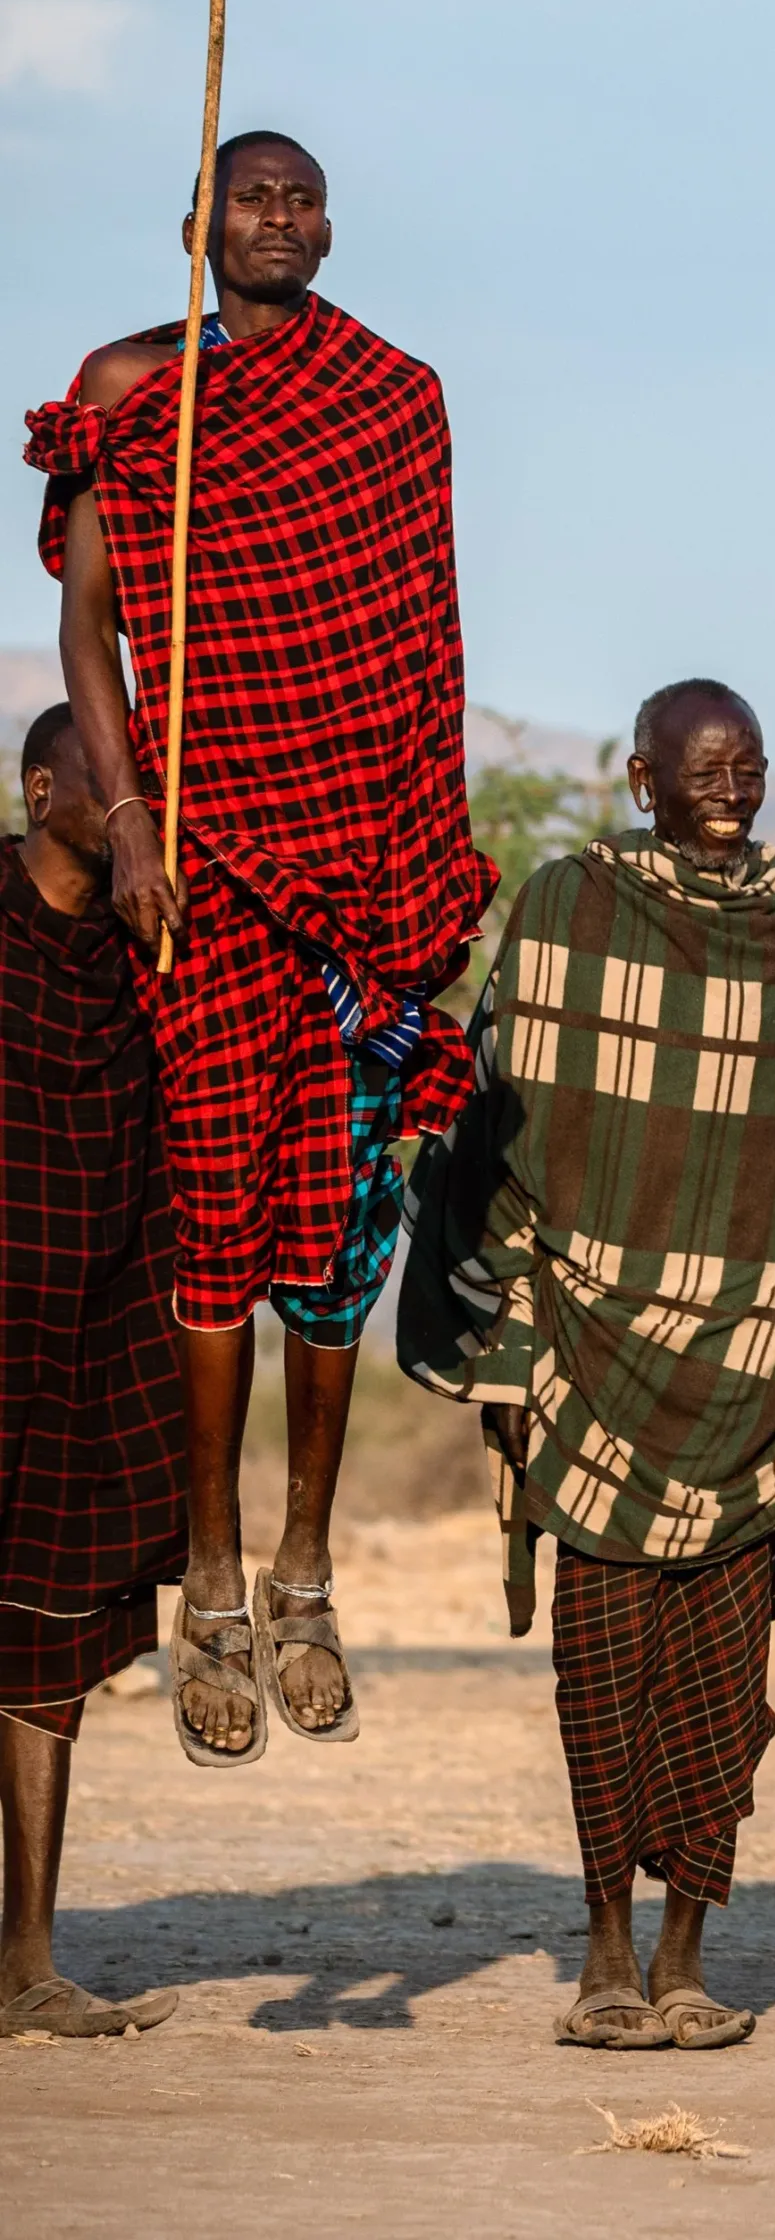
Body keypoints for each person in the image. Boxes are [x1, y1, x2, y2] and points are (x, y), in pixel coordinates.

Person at [24, 132, 494, 1764]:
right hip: (211, 867)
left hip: (361, 879)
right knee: (213, 1226)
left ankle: (309, 1565)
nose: (279, 220)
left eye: (301, 201)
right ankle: (208, 1576)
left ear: (331, 227)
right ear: (197, 227)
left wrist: (426, 859)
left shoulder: (391, 394)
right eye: (252, 199)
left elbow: (421, 637)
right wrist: (137, 817)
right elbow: (88, 625)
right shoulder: (133, 388)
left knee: (333, 1246)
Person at [398, 680, 775, 2052]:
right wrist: (504, 1342)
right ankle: (605, 1952)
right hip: (594, 1359)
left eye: (751, 764)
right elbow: (506, 1116)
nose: (732, 786)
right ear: (642, 779)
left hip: (758, 1362)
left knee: (719, 1693)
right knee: (602, 1681)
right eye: (706, 766)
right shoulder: (567, 908)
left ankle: (688, 1957)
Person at [1, 707, 183, 2034]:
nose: (134, 810)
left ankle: (29, 1963)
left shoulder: (149, 958)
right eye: (113, 786)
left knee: (46, 1640)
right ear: (42, 787)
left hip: (80, 1333)